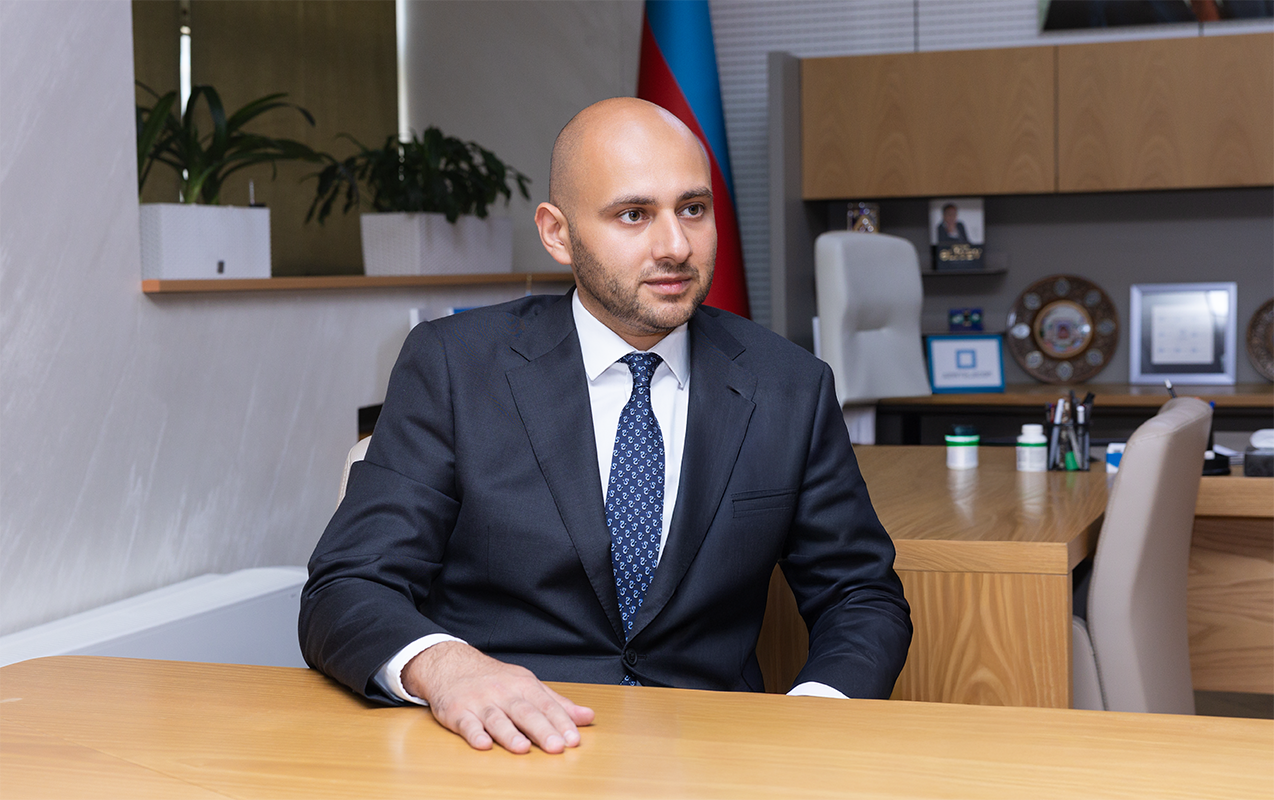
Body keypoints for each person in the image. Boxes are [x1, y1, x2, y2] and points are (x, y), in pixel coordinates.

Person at [299, 97, 911, 756]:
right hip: (504, 750)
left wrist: (816, 716)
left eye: (693, 209)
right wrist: (447, 668)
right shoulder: (454, 366)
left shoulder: (788, 385)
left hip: (710, 754)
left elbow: (860, 594)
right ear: (557, 233)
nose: (675, 246)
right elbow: (347, 586)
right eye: (633, 215)